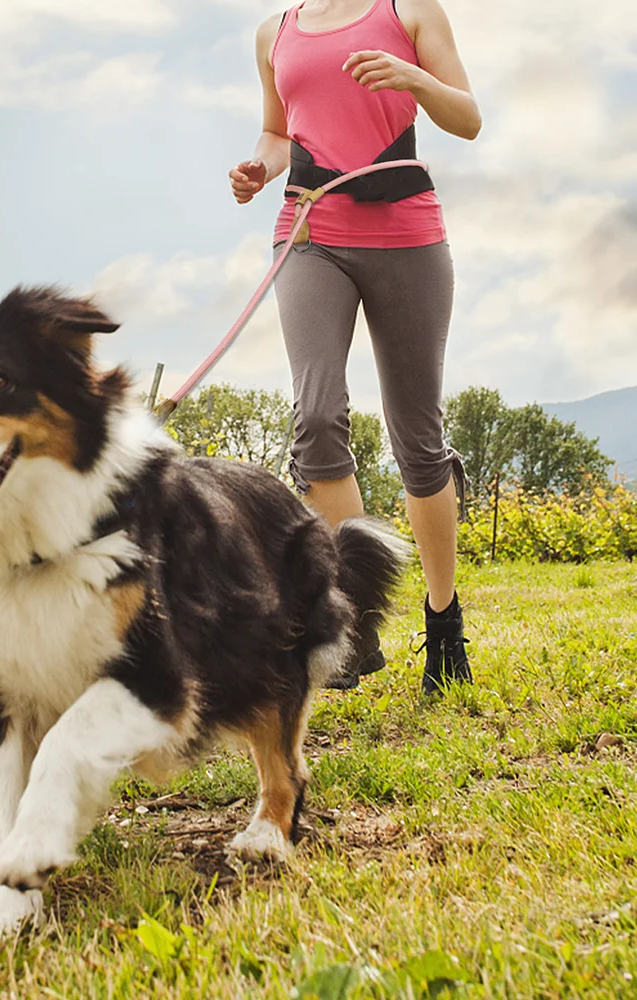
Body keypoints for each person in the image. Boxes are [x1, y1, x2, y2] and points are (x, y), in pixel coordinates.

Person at [229, 0, 480, 694]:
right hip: (309, 230)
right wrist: (259, 166)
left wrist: (412, 78)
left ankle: (442, 617)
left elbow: (467, 117)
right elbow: (277, 133)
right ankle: (354, 623)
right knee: (314, 418)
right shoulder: (273, 32)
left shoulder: (409, 10)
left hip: (408, 236)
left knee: (417, 441)